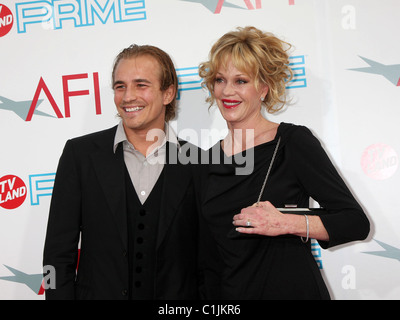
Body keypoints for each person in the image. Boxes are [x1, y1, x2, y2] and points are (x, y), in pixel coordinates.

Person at [197, 26, 370, 300]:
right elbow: (206, 258)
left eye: (241, 80)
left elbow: (355, 222)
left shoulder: (292, 142)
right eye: (220, 79)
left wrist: (286, 223)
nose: (227, 91)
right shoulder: (203, 162)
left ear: (264, 88)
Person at [43, 44, 199, 300]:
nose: (128, 97)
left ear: (168, 93)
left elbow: (209, 261)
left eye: (141, 85)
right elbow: (57, 254)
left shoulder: (199, 162)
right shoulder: (80, 155)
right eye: (120, 86)